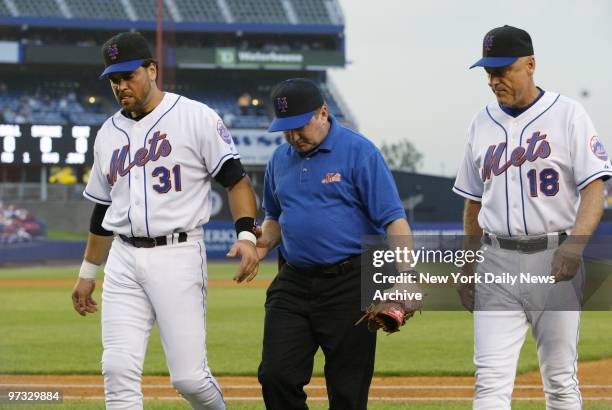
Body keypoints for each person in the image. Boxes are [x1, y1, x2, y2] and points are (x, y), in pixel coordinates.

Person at [70, 32, 260, 410]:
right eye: (114, 79)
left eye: (129, 76)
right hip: (123, 258)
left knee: (189, 378)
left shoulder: (195, 116)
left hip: (178, 252)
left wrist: (247, 235)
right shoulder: (108, 133)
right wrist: (87, 272)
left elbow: (236, 179)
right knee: (117, 368)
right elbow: (102, 211)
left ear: (152, 70)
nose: (121, 86)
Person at [453, 25, 611, 409]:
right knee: (489, 382)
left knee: (559, 380)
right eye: (489, 72)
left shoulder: (568, 114)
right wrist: (467, 262)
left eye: (503, 70)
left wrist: (575, 246)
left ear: (530, 64)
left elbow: (595, 188)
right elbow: (473, 202)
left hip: (553, 256)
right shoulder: (481, 122)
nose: (494, 80)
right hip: (496, 259)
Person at [255, 78, 419, 409]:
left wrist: (407, 274)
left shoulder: (360, 152)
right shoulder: (278, 160)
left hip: (350, 281)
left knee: (348, 390)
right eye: (285, 129)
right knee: (276, 375)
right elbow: (274, 219)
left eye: (299, 126)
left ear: (323, 113)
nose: (292, 136)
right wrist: (257, 247)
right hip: (294, 280)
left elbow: (393, 219)